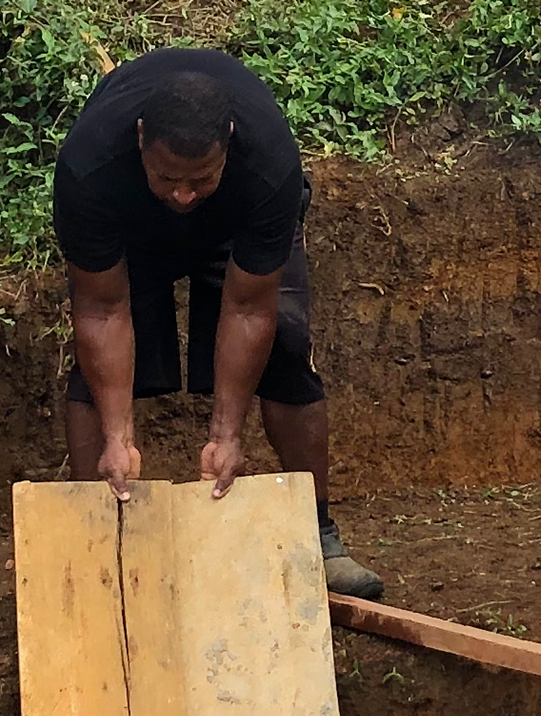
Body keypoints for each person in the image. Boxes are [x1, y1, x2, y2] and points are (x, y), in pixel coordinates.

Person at [54, 47, 383, 599]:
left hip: (234, 226)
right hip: (129, 227)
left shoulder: (269, 165)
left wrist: (227, 436)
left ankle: (319, 535)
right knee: (96, 372)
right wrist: (119, 436)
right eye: (167, 177)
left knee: (283, 343)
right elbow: (101, 309)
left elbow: (249, 306)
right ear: (140, 138)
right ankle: (98, 540)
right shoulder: (89, 168)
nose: (182, 195)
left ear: (228, 142)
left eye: (200, 178)